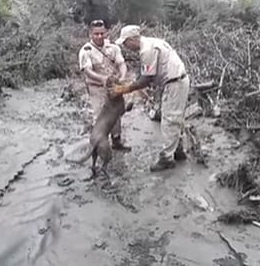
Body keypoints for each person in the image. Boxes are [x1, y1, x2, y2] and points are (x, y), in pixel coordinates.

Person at [110, 25, 190, 172]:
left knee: (169, 121)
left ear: (133, 39)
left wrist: (125, 89)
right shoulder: (151, 42)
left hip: (175, 82)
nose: (126, 47)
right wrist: (134, 85)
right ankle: (178, 151)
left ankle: (167, 158)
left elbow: (146, 79)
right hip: (175, 81)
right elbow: (145, 74)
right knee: (175, 118)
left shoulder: (147, 50)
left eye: (126, 43)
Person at [78, 19, 131, 151]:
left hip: (114, 87)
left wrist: (123, 77)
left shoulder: (113, 48)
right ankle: (100, 144)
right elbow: (88, 71)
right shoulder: (86, 50)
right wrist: (102, 79)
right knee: (101, 115)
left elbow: (121, 64)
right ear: (90, 34)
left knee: (116, 113)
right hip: (97, 88)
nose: (99, 36)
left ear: (106, 33)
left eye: (102, 33)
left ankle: (116, 141)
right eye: (96, 34)